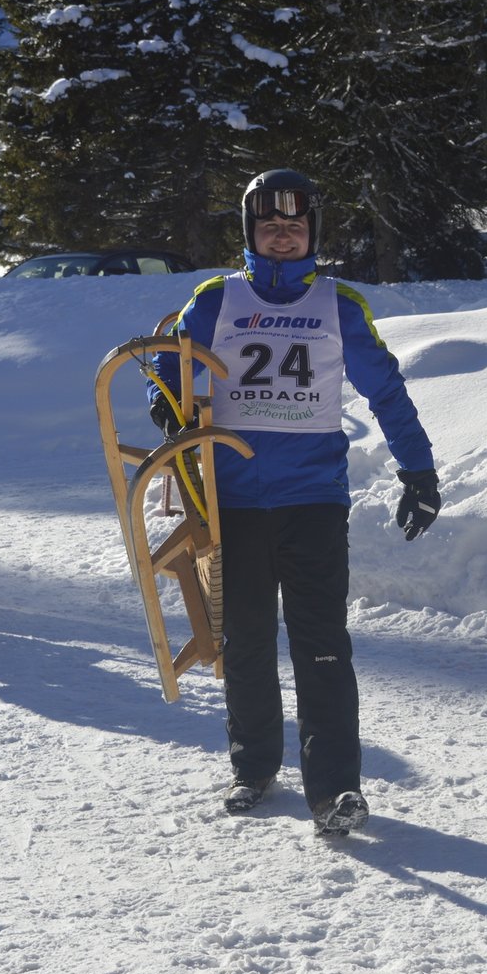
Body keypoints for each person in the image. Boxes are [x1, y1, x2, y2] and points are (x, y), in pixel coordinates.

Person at [147, 168, 441, 836]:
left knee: (322, 643)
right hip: (234, 500)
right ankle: (253, 767)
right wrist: (167, 407)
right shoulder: (216, 300)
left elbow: (386, 390)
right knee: (245, 639)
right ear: (250, 232)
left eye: (295, 226)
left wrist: (418, 471)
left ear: (313, 234)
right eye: (270, 226)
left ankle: (335, 789)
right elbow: (167, 362)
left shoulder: (340, 305)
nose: (283, 236)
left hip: (313, 498)